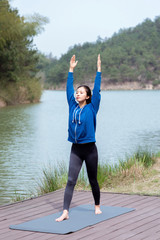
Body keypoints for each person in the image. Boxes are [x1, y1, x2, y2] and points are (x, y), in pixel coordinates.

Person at [55, 54, 102, 222]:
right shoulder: (72, 105)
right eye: (77, 92)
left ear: (87, 96)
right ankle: (65, 211)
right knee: (70, 180)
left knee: (92, 179)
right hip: (76, 148)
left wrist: (98, 70)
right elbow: (68, 87)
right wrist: (71, 69)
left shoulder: (92, 108)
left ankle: (97, 205)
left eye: (81, 92)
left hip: (90, 149)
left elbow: (96, 89)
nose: (77, 94)